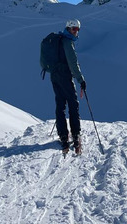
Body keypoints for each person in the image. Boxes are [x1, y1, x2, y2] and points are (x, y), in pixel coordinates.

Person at [49, 19, 86, 154]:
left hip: (54, 76)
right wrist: (81, 79)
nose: (76, 31)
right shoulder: (67, 42)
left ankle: (63, 136)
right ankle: (75, 136)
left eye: (77, 29)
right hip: (64, 76)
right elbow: (72, 62)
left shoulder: (58, 40)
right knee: (73, 104)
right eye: (74, 29)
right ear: (68, 28)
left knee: (60, 105)